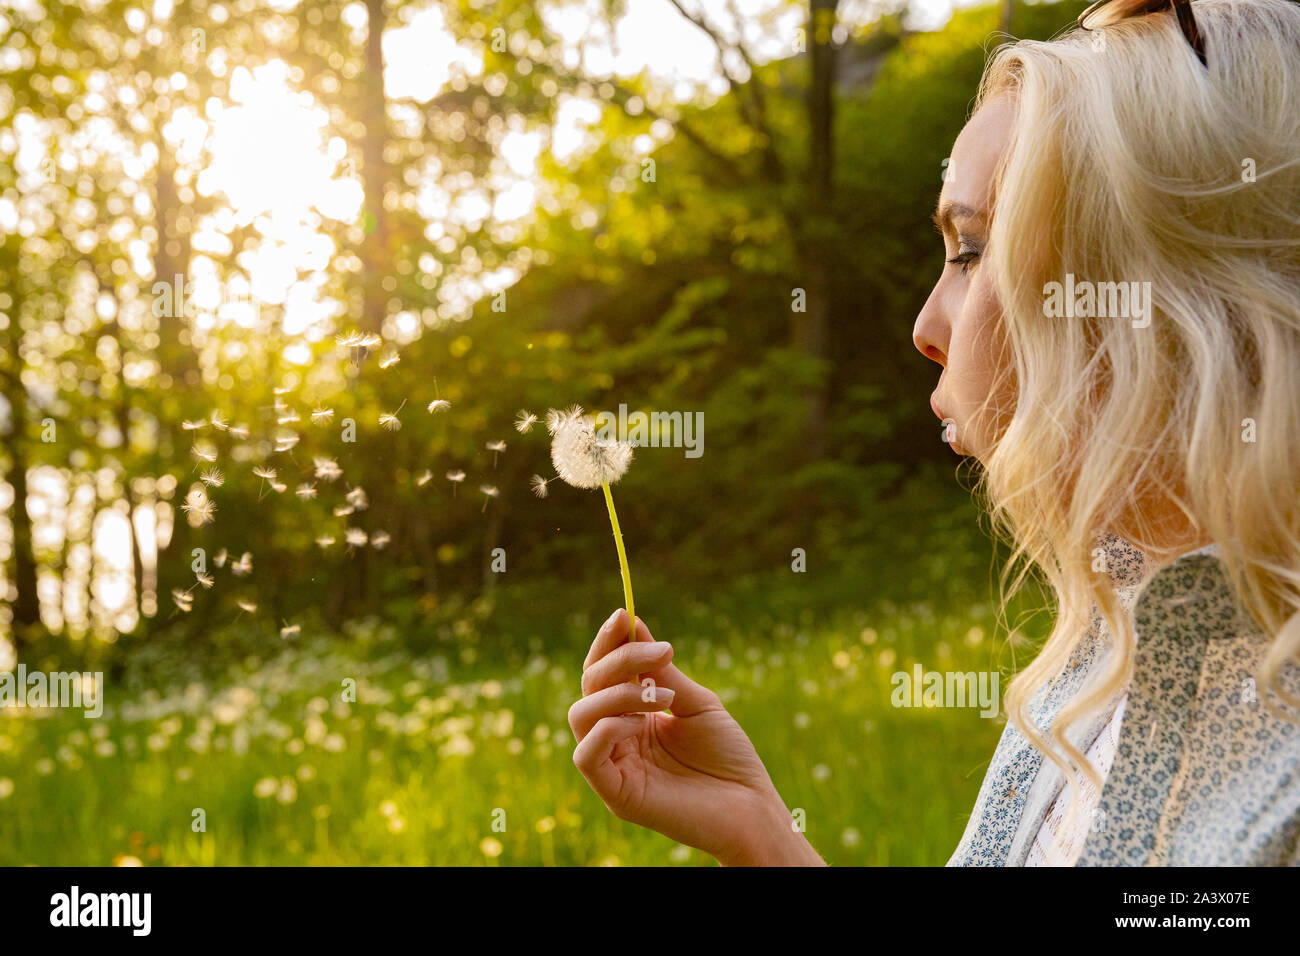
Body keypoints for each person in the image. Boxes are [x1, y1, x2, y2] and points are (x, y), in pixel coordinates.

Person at [568, 0, 1300, 865]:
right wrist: (762, 833)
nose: (924, 326)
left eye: (970, 248)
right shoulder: (1102, 662)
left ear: (1145, 283)